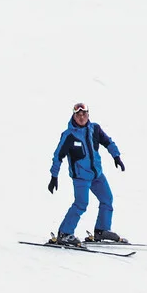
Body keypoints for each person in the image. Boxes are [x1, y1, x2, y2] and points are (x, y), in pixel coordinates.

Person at [47, 102, 127, 246]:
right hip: (81, 178)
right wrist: (54, 176)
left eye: (84, 114)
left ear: (88, 115)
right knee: (81, 204)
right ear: (74, 116)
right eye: (78, 114)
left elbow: (108, 142)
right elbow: (58, 156)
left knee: (107, 199)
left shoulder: (94, 129)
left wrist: (116, 156)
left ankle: (102, 231)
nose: (81, 117)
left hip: (97, 175)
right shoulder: (69, 135)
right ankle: (64, 233)